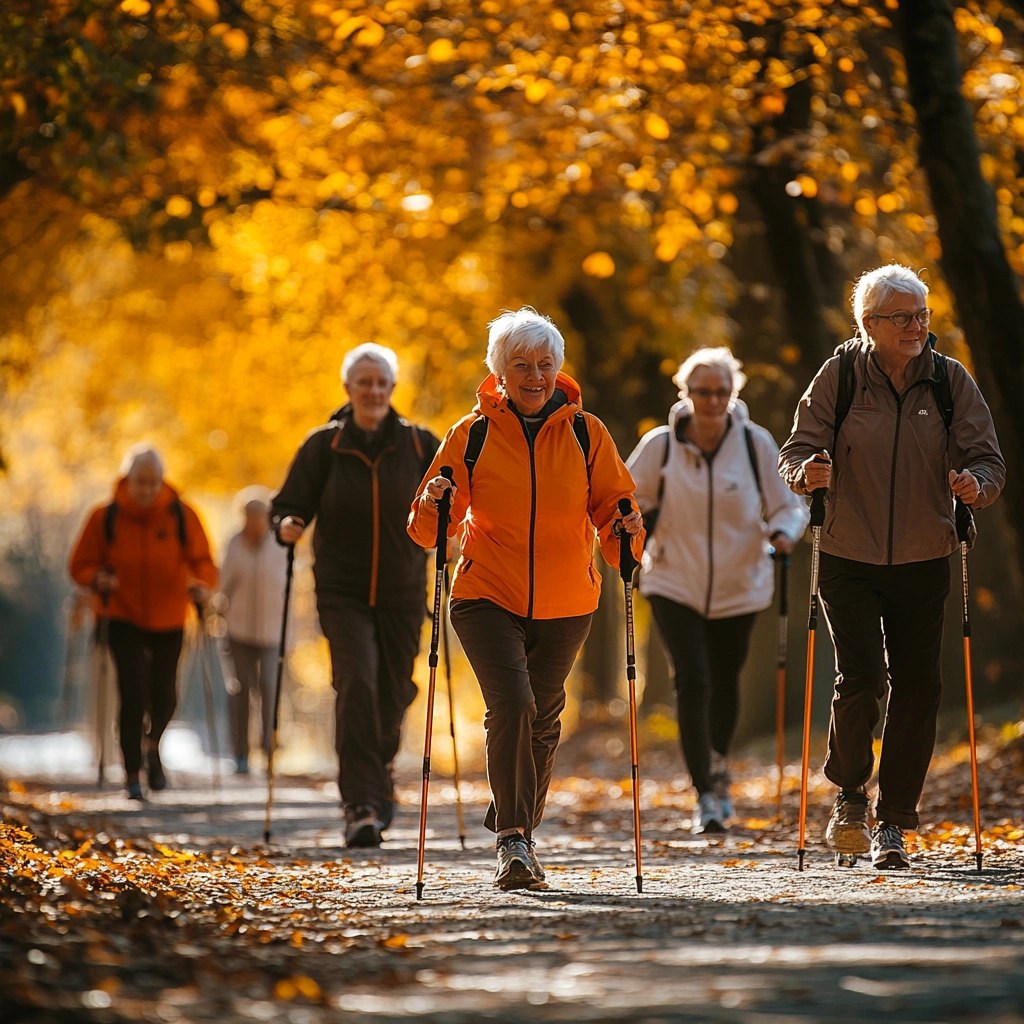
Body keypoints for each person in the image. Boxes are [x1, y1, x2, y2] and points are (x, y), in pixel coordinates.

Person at [408, 307, 644, 889]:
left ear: (557, 369)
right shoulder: (472, 433)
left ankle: (515, 817)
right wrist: (435, 502)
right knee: (512, 703)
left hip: (567, 600)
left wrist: (626, 532)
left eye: (544, 364)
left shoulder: (588, 432)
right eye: (521, 365)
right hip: (486, 592)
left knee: (543, 718)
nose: (534, 375)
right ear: (499, 372)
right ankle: (514, 840)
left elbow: (615, 510)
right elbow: (425, 529)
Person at [778, 263, 1004, 869]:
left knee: (919, 685)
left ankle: (895, 824)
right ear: (870, 324)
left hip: (926, 554)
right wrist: (806, 474)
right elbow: (795, 449)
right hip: (848, 553)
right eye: (902, 317)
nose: (916, 326)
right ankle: (851, 796)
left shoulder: (950, 381)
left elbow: (989, 459)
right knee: (860, 678)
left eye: (922, 315)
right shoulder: (841, 375)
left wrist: (974, 486)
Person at [626, 348, 810, 834]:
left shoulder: (755, 445)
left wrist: (785, 533)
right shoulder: (660, 446)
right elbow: (625, 499)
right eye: (703, 392)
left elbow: (788, 504)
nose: (713, 401)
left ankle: (719, 762)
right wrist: (634, 523)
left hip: (741, 582)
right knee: (694, 679)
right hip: (671, 580)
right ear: (685, 394)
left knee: (725, 680)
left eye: (722, 392)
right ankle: (705, 791)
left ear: (734, 394)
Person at [272, 343, 439, 848]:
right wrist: (287, 524)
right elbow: (286, 504)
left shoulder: (419, 445)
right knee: (357, 683)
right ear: (348, 389)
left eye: (381, 382)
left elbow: (455, 498)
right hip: (341, 593)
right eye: (363, 382)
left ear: (392, 389)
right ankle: (360, 805)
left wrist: (453, 518)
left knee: (394, 692)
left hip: (403, 590)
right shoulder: (323, 446)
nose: (373, 391)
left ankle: (380, 768)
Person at [69, 446, 217, 800]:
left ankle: (153, 747)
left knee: (165, 697)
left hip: (170, 615)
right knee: (132, 693)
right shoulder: (104, 517)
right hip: (121, 614)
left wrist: (201, 585)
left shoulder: (182, 515)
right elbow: (80, 565)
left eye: (153, 482)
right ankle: (132, 775)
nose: (147, 490)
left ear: (162, 481)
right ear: (128, 479)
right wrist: (97, 579)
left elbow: (205, 563)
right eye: (140, 482)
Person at [218, 494, 290, 774]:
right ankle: (240, 754)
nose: (254, 522)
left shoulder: (279, 545)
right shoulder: (234, 543)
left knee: (270, 688)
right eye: (249, 516)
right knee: (240, 690)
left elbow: (289, 588)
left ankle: (269, 750)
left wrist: (290, 630)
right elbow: (224, 584)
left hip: (273, 631)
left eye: (259, 516)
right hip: (238, 630)